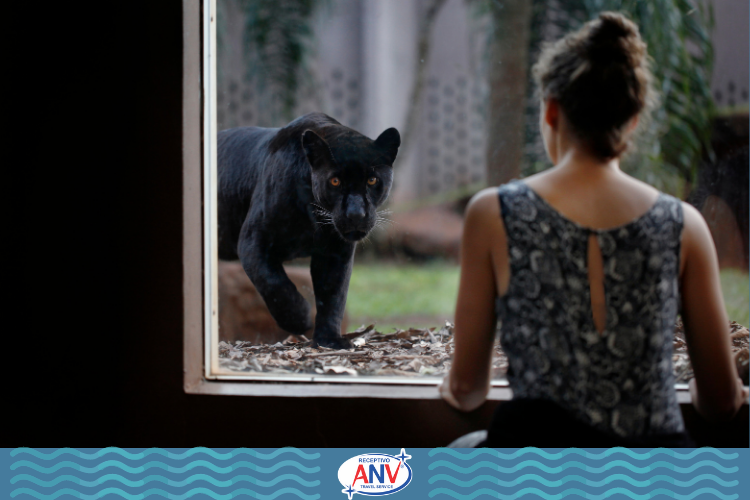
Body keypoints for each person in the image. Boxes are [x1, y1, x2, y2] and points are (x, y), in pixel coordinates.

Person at [439, 11, 748, 447]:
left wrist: (449, 388)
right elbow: (721, 403)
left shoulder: (494, 213)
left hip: (531, 468)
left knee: (451, 458)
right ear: (633, 119)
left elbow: (467, 391)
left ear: (551, 110)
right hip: (654, 472)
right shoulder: (683, 225)